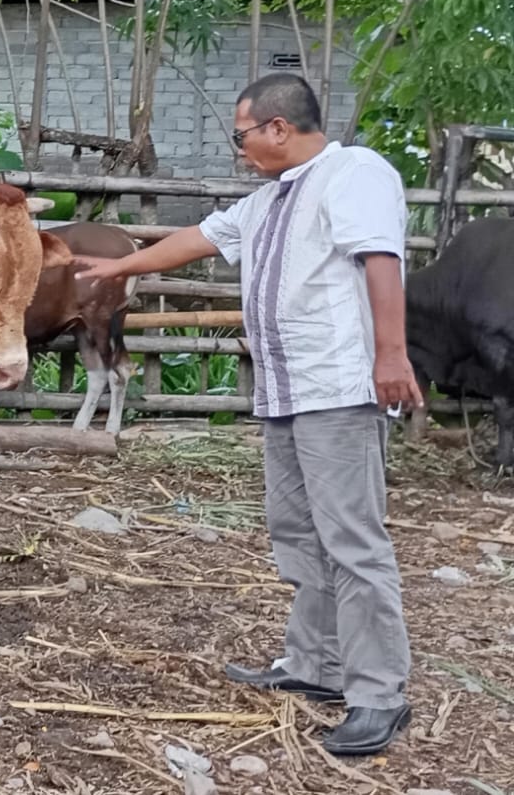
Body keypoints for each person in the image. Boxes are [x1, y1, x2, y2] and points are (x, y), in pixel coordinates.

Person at [76, 74, 420, 757]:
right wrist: (116, 268)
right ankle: (314, 665)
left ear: (278, 128)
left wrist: (391, 354)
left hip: (339, 389)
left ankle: (380, 691)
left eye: (242, 135)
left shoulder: (354, 173)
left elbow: (379, 258)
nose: (238, 149)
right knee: (297, 530)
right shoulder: (267, 201)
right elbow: (200, 238)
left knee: (353, 539)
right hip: (287, 394)